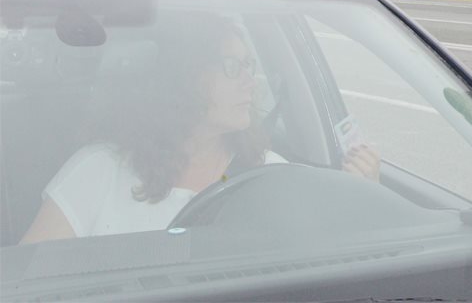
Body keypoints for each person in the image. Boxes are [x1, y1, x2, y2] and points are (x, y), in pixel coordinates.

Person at [21, 15, 379, 243]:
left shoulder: (271, 174)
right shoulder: (98, 171)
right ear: (187, 76)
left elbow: (325, 264)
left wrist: (363, 199)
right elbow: (28, 283)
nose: (250, 82)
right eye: (231, 66)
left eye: (249, 66)